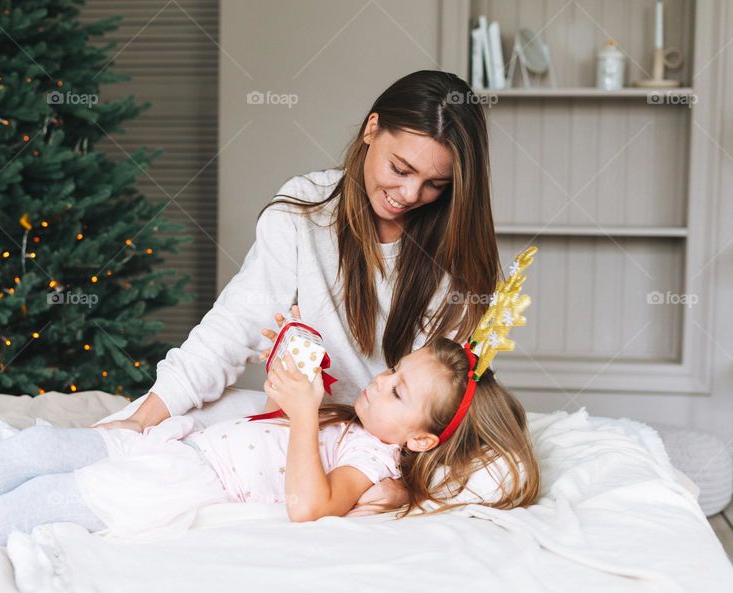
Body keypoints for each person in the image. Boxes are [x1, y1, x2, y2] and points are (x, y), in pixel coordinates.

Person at [0, 338, 538, 569]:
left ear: (418, 440)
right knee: (40, 446)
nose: (381, 382)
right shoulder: (361, 423)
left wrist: (309, 417)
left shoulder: (378, 471)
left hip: (179, 484)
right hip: (175, 448)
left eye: (400, 391)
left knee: (36, 501)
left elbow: (308, 505)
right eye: (394, 370)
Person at [94, 70, 500, 438]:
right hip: (305, 418)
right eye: (400, 169)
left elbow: (437, 402)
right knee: (146, 430)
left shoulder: (454, 253)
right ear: (371, 129)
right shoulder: (304, 208)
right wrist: (146, 416)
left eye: (435, 184)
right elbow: (235, 324)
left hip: (381, 441)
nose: (411, 195)